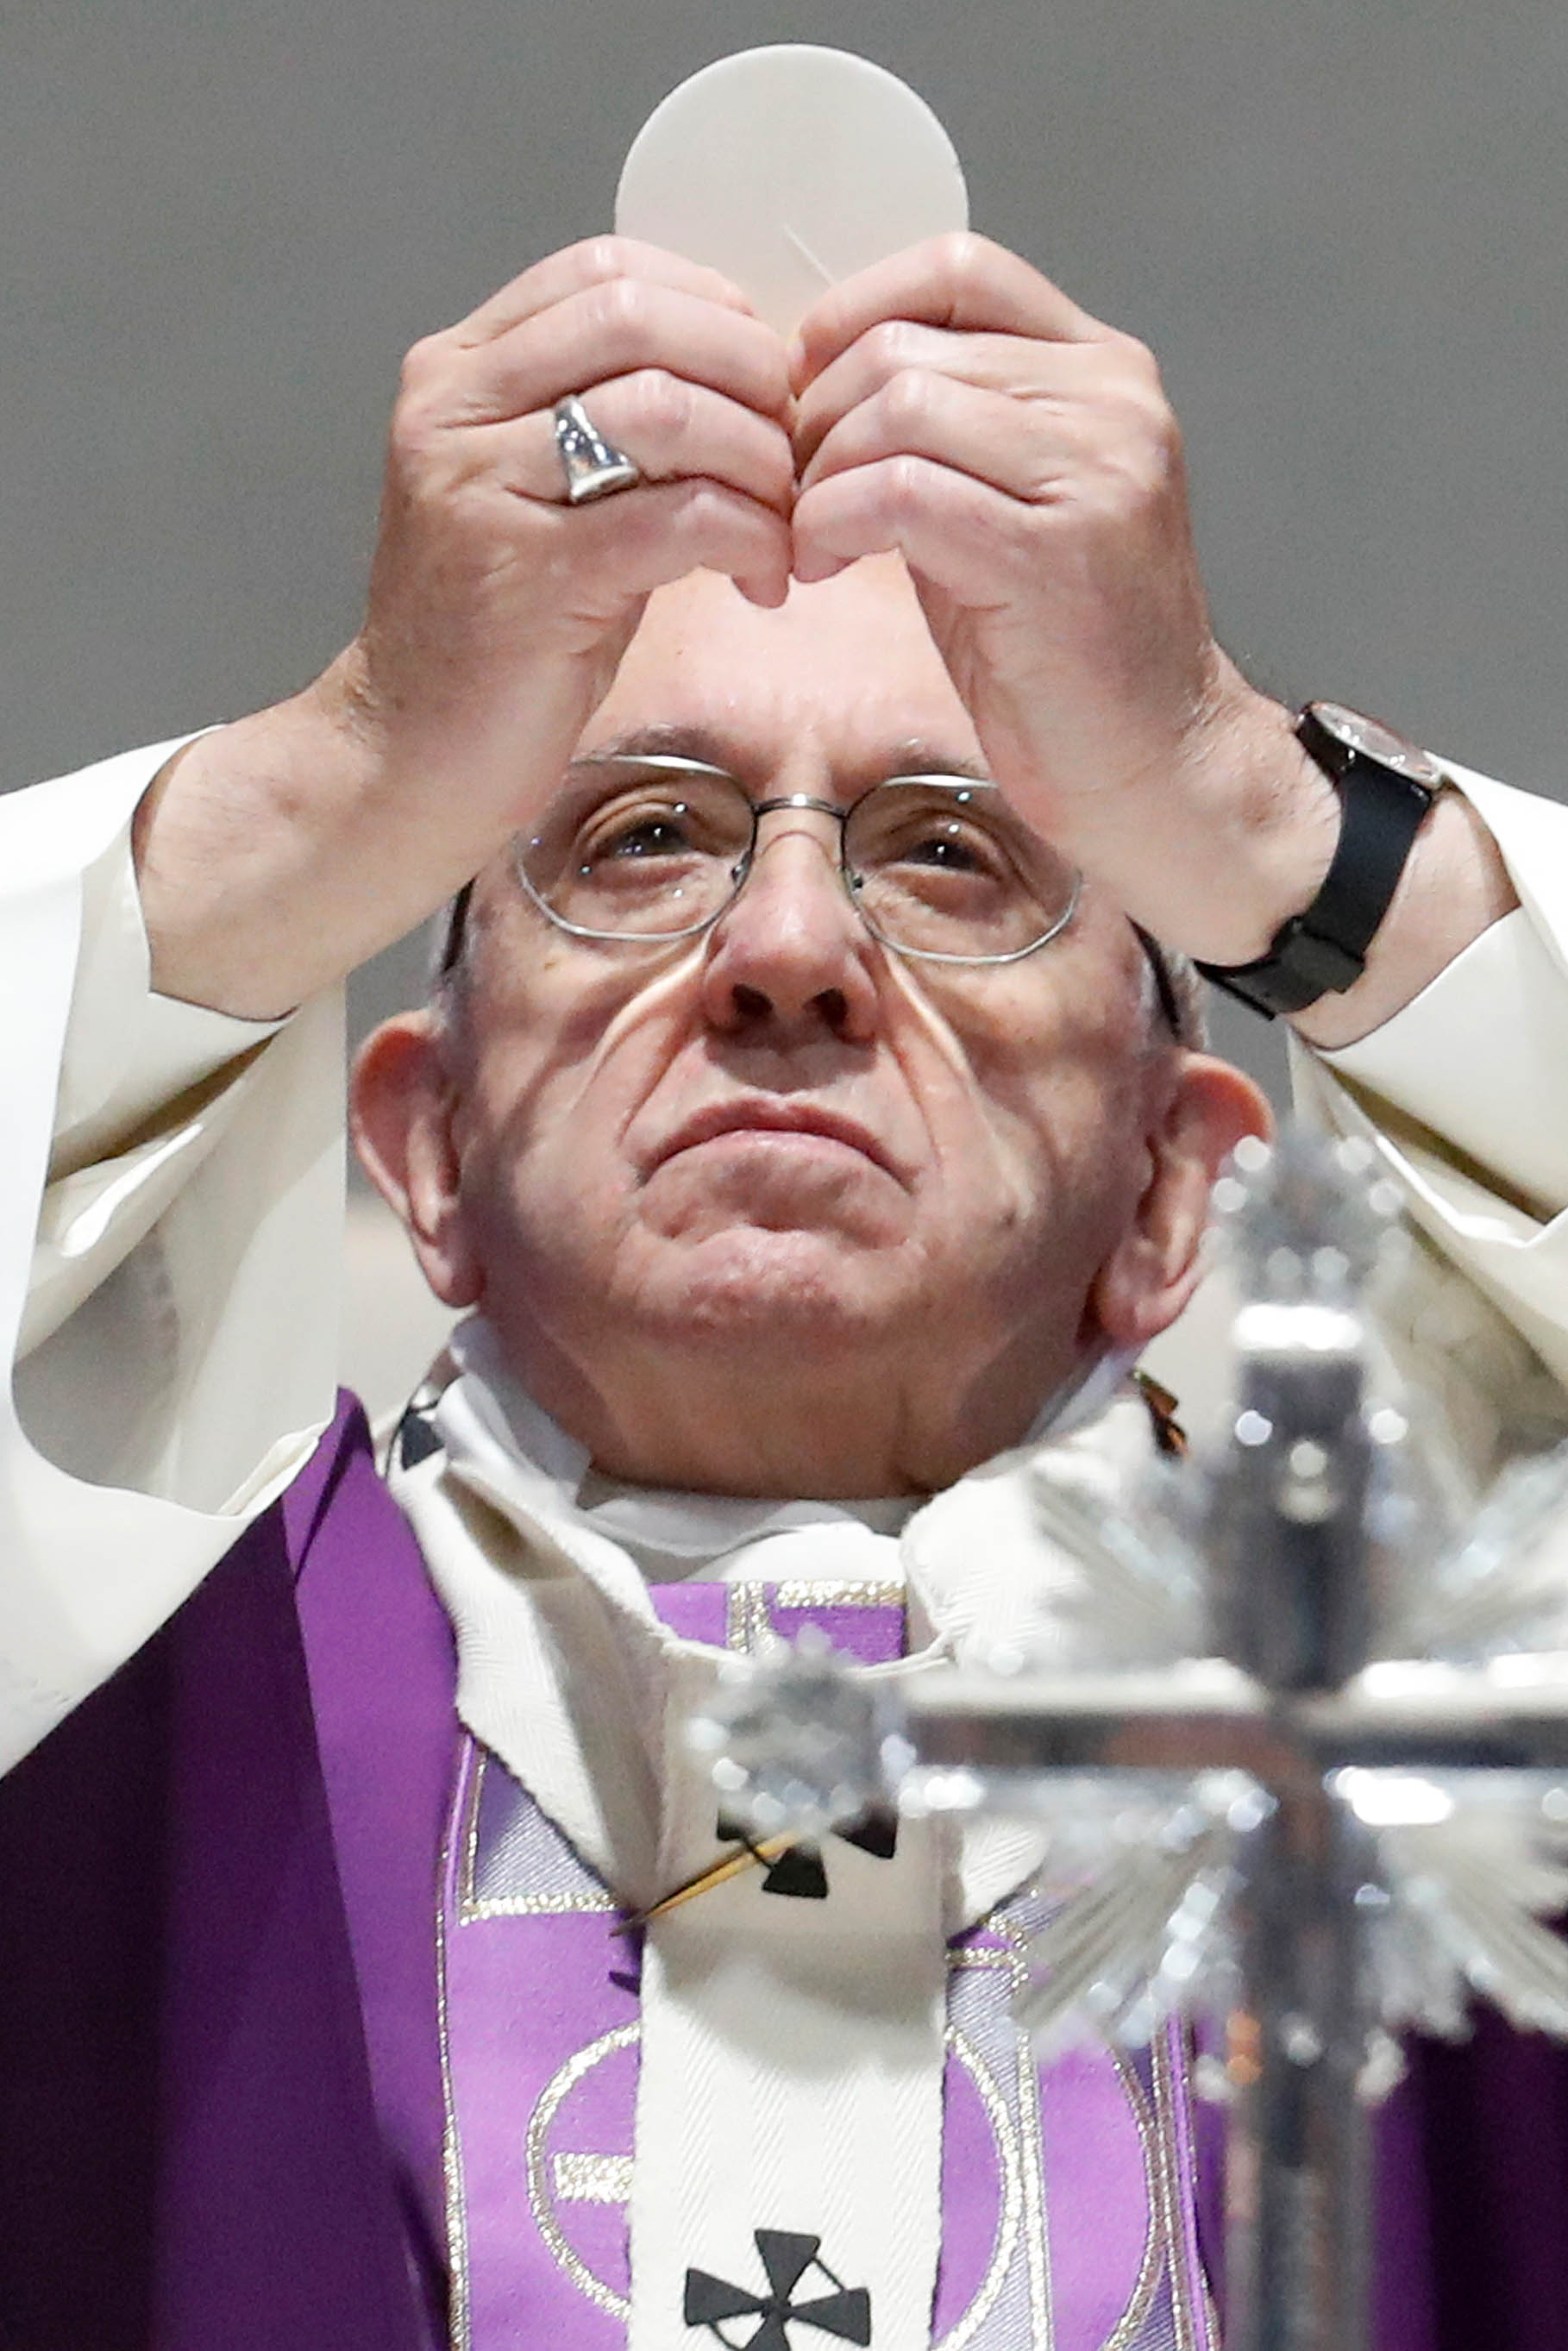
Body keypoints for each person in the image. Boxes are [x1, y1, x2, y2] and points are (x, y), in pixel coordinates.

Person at [4, 231, 1568, 2351]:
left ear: (1171, 1186)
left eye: (955, 851)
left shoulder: (1461, 1723)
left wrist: (1240, 796)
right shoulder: (124, 1670)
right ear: (424, 1143)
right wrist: (351, 766)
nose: (790, 948)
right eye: (642, 837)